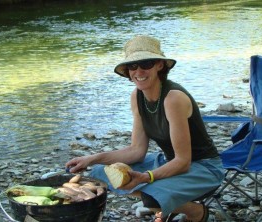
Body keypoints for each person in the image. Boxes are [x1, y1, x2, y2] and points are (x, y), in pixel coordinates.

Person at [65, 35, 224, 222]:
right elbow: (136, 151)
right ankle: (167, 204)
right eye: (133, 66)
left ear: (159, 65)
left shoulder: (173, 99)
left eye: (146, 64)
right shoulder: (137, 96)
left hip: (203, 168)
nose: (139, 71)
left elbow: (183, 161)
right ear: (127, 71)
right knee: (98, 173)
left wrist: (146, 177)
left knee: (151, 196)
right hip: (168, 161)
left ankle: (195, 212)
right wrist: (92, 158)